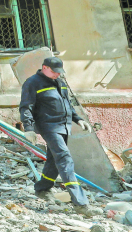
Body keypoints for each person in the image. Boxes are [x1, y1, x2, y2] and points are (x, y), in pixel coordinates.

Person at [19, 56, 93, 214]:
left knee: (54, 158)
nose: (57, 75)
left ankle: (42, 189)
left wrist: (78, 119)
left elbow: (68, 105)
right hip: (48, 126)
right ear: (44, 67)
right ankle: (80, 203)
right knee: (64, 158)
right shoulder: (32, 83)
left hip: (63, 126)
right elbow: (26, 107)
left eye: (59, 72)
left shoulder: (61, 83)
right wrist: (29, 128)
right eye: (54, 72)